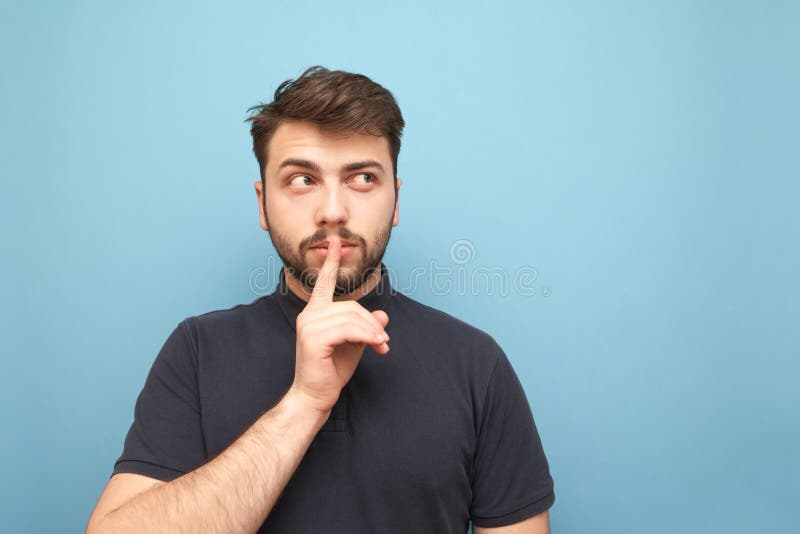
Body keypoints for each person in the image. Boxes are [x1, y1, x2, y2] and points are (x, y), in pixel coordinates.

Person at [86, 66, 555, 534]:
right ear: (262, 204)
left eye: (363, 178)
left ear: (395, 203)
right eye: (302, 180)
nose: (333, 210)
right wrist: (305, 404)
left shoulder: (475, 363)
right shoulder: (196, 351)